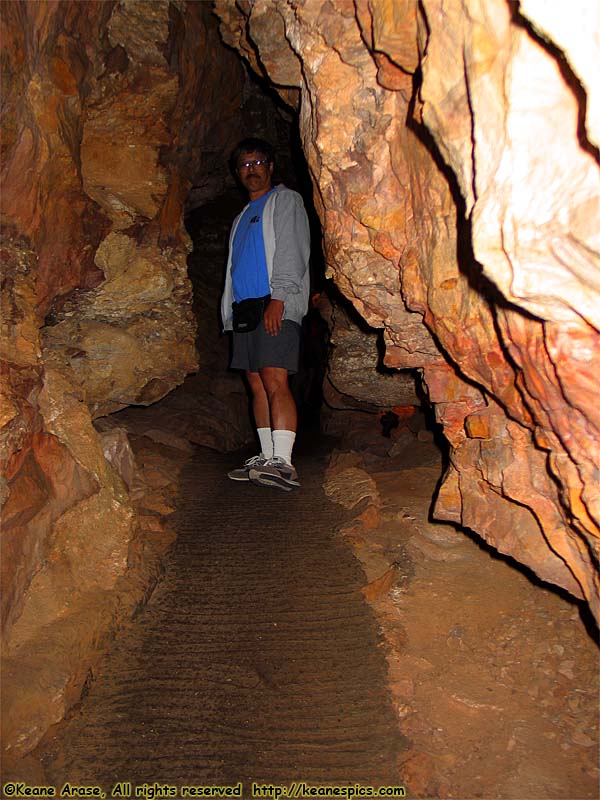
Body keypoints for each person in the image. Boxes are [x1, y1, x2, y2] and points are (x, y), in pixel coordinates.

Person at [221, 137, 310, 491]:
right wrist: (229, 312)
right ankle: (267, 455)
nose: (251, 170)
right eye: (244, 166)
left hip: (274, 303)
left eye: (257, 163)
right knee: (256, 384)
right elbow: (234, 268)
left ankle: (284, 462)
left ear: (271, 167)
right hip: (245, 310)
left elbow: (292, 250)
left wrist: (281, 298)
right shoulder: (242, 216)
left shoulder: (284, 201)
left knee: (275, 380)